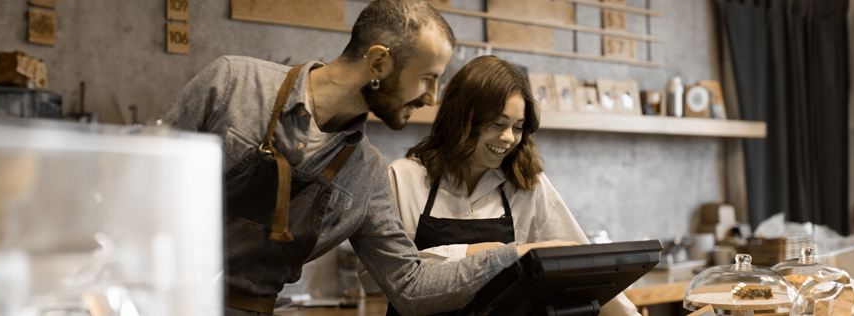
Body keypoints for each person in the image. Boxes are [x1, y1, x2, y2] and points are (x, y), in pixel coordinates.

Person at [160, 1, 571, 315]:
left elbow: (408, 286)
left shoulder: (366, 173)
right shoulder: (233, 83)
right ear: (378, 62)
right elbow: (131, 188)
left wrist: (513, 255)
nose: (432, 97)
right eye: (428, 78)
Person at [368, 55, 641, 316]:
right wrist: (500, 254)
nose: (508, 137)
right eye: (498, 123)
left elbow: (582, 269)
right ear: (462, 118)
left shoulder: (526, 184)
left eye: (518, 127)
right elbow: (379, 278)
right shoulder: (403, 178)